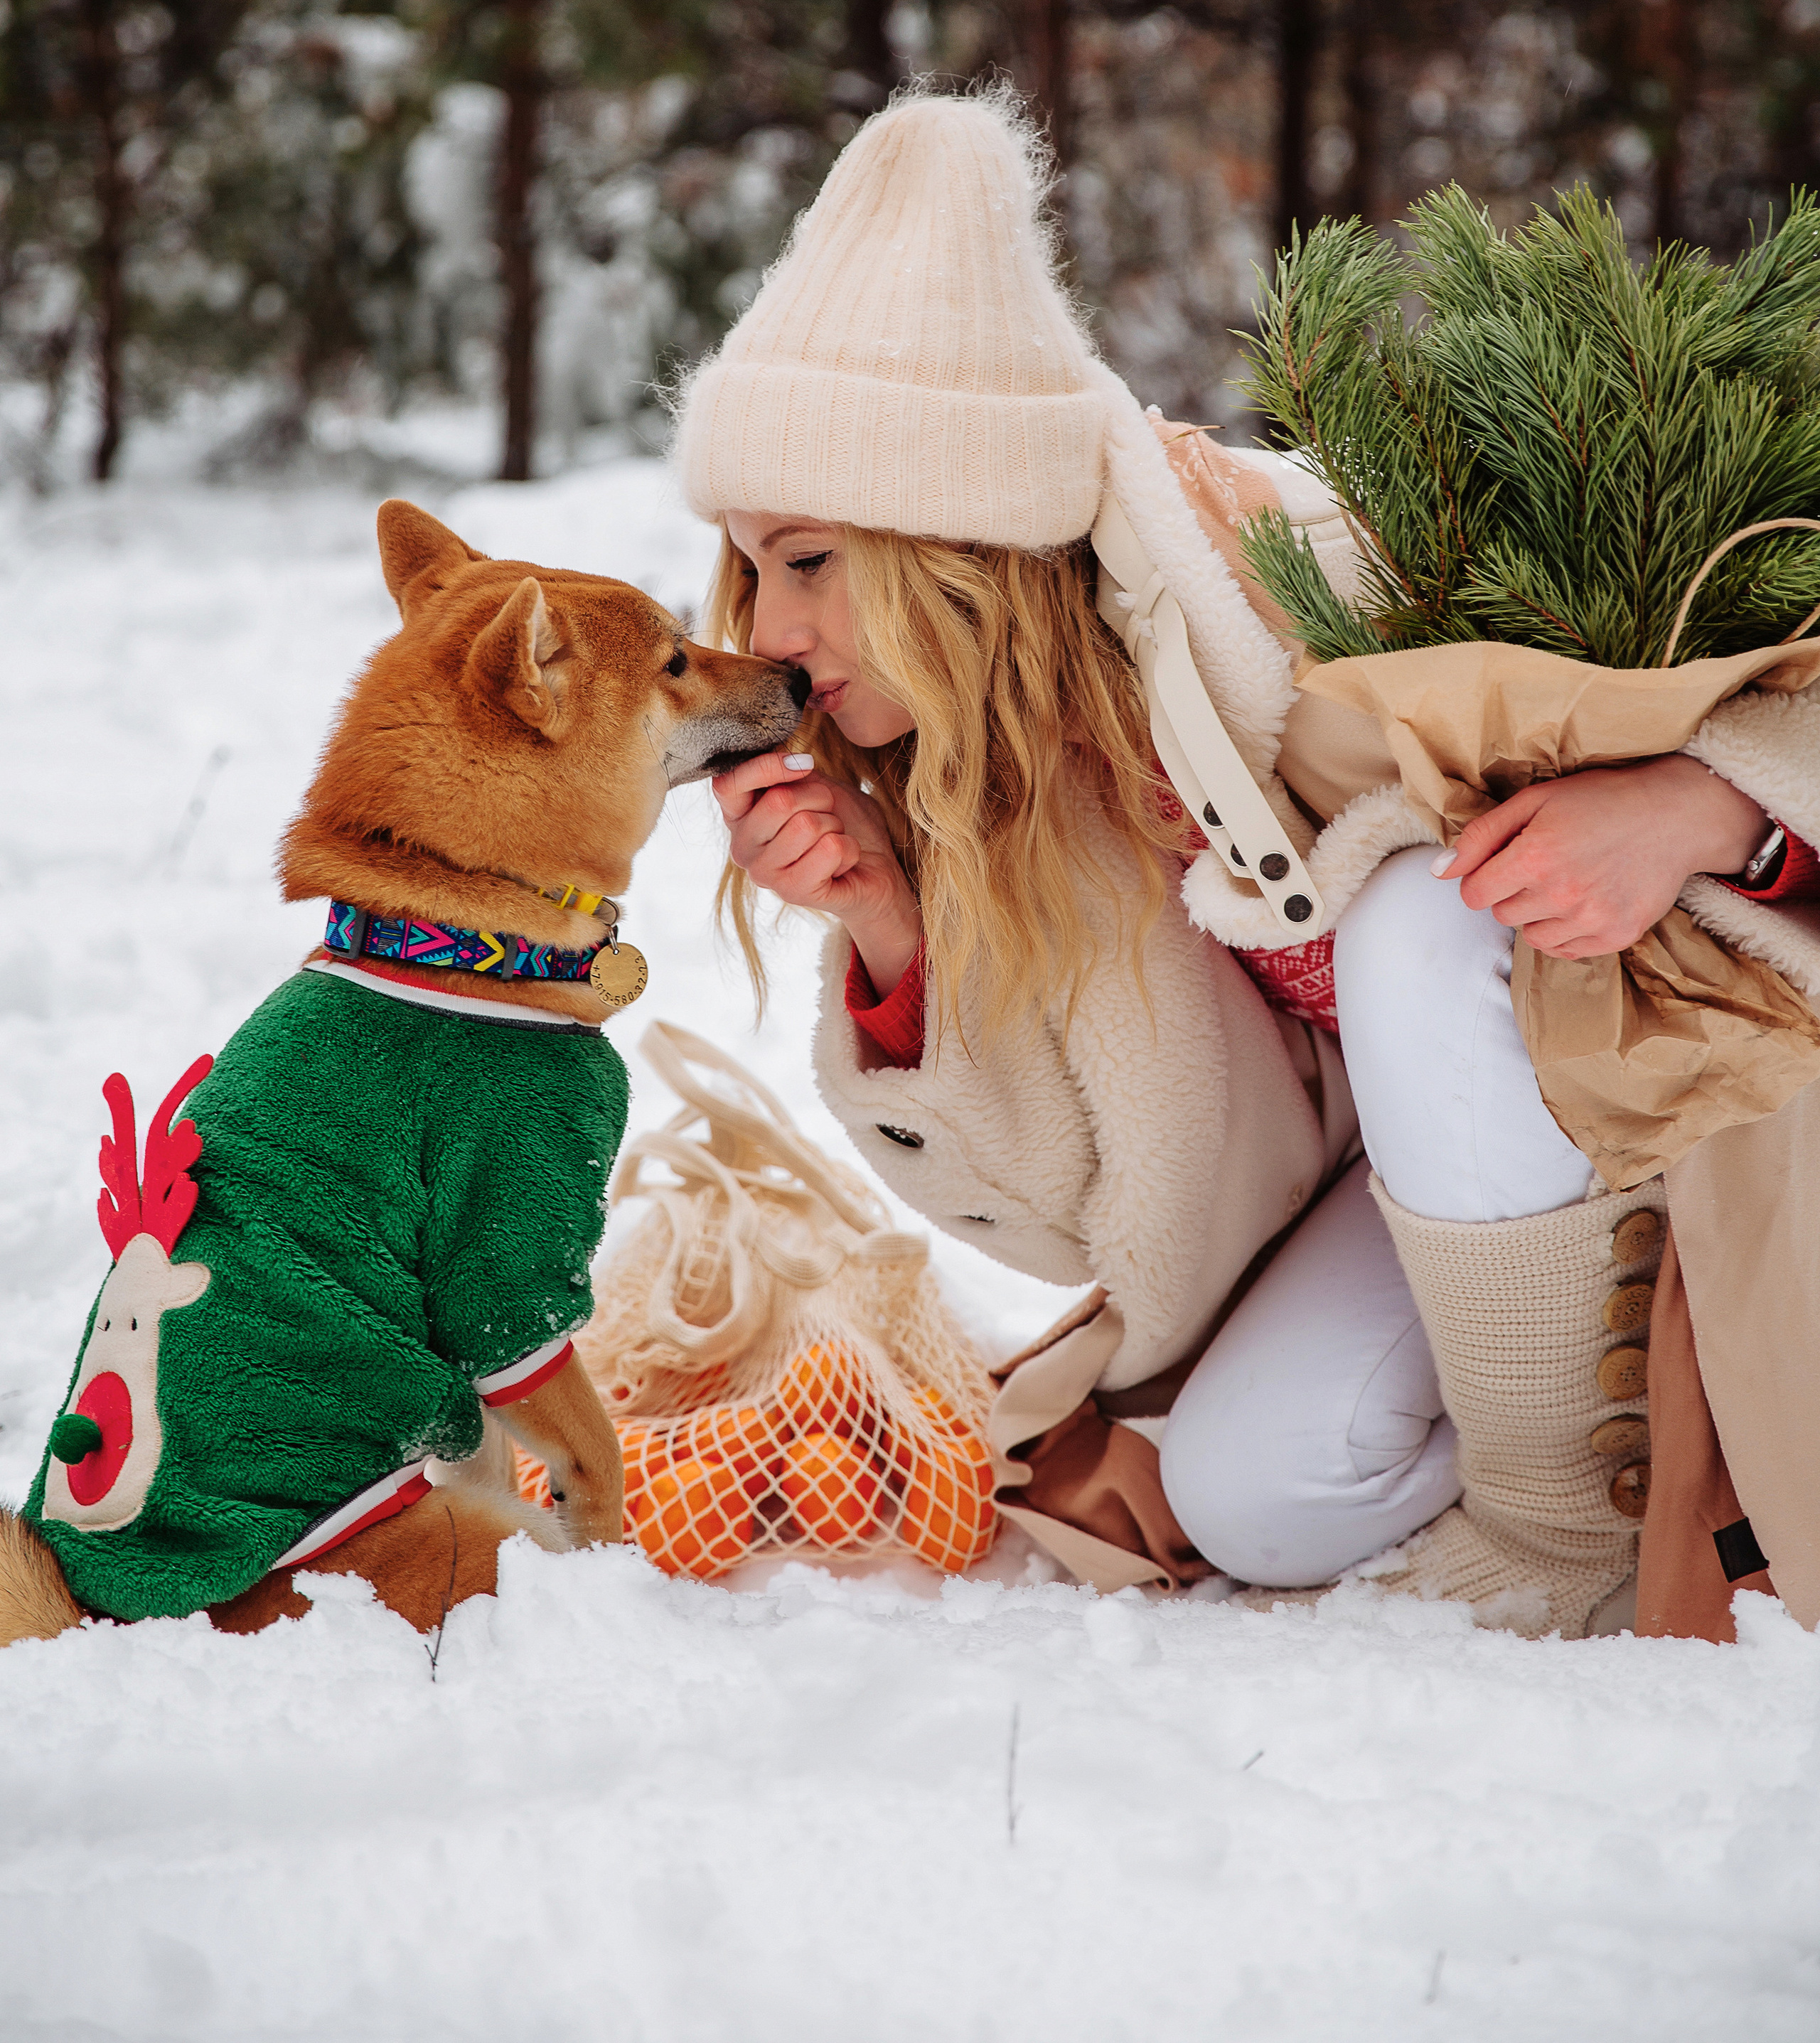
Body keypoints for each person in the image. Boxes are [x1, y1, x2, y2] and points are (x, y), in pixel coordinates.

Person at [672, 85, 1820, 1634]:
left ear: (958, 533)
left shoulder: (1308, 571)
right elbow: (1103, 1211)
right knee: (1253, 1495)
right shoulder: (993, 770)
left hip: (1682, 1073)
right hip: (1419, 1162)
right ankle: (1545, 1389)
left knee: (1420, 916)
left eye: (806, 558)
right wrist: (893, 930)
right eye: (748, 564)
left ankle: (1568, 1519)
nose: (767, 635)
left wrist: (1701, 803)